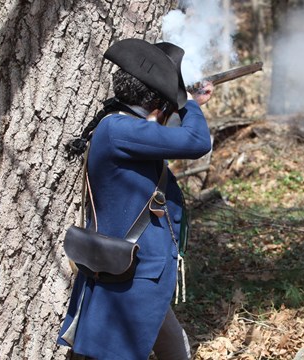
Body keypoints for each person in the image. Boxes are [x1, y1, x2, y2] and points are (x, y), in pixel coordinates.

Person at [58, 38, 214, 359]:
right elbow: (196, 140)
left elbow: (166, 134)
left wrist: (184, 101)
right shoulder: (120, 130)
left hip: (140, 270)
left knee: (177, 350)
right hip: (133, 274)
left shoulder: (124, 127)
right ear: (157, 99)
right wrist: (188, 102)